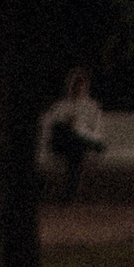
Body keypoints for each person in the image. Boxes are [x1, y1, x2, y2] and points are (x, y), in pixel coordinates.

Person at [48, 68, 106, 201]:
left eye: (80, 86)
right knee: (69, 138)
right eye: (75, 85)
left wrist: (78, 129)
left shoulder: (92, 107)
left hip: (78, 144)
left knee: (76, 150)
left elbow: (96, 131)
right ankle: (70, 191)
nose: (77, 89)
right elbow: (53, 128)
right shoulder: (61, 106)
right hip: (63, 143)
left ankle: (69, 192)